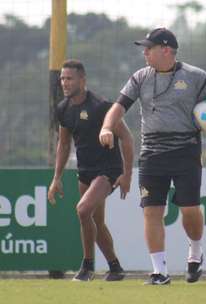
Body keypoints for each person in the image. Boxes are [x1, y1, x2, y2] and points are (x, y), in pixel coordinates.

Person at [100, 28, 206, 285]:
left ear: (166, 50)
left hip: (186, 152)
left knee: (189, 210)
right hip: (151, 154)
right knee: (151, 211)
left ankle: (195, 250)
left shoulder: (194, 76)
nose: (144, 52)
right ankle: (159, 272)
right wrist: (107, 127)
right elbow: (118, 107)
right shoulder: (140, 77)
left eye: (148, 48)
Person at [48, 59, 134, 282]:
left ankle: (86, 267)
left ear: (82, 80)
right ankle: (115, 268)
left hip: (108, 170)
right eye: (62, 79)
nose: (65, 83)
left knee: (83, 210)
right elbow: (64, 144)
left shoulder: (100, 106)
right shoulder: (63, 108)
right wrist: (56, 178)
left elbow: (127, 138)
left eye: (69, 78)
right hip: (84, 171)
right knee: (96, 221)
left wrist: (127, 174)